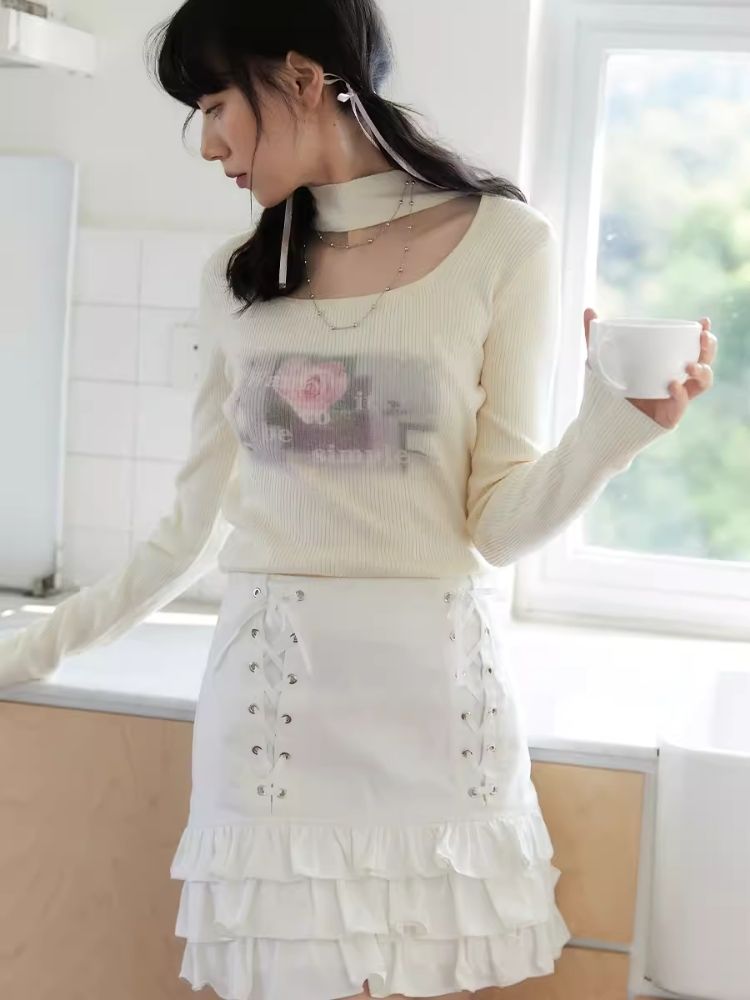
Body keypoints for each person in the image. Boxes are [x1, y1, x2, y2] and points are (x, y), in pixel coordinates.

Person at [0, 1, 716, 998]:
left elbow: (498, 523)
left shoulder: (506, 244)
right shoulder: (236, 281)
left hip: (436, 703)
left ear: (301, 79)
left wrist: (611, 428)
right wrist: (25, 650)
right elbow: (185, 534)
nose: (208, 144)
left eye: (216, 104)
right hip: (275, 717)